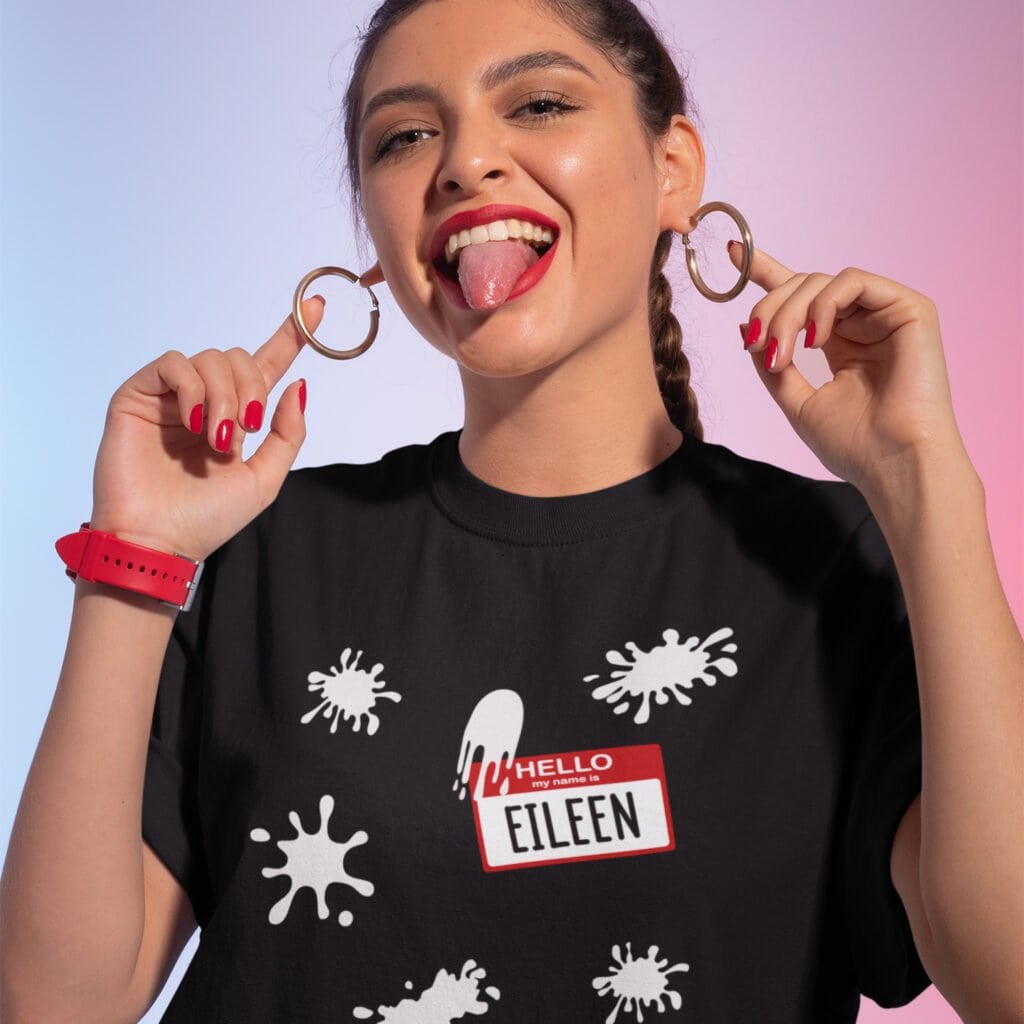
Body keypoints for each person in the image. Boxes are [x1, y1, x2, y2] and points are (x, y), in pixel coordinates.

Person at [2, 0, 1021, 1020]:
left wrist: (926, 488)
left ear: (673, 170)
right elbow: (52, 1002)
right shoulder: (261, 558)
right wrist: (131, 559)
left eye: (536, 103)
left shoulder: (831, 567)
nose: (463, 163)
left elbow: (1006, 976)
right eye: (405, 135)